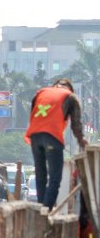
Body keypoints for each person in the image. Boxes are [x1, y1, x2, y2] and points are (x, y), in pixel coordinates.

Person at [26, 78, 87, 208]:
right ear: (69, 89)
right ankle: (47, 210)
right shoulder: (70, 97)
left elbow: (33, 113)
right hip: (52, 136)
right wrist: (82, 140)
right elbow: (76, 124)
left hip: (35, 136)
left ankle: (40, 209)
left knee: (40, 174)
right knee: (55, 177)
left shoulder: (40, 93)